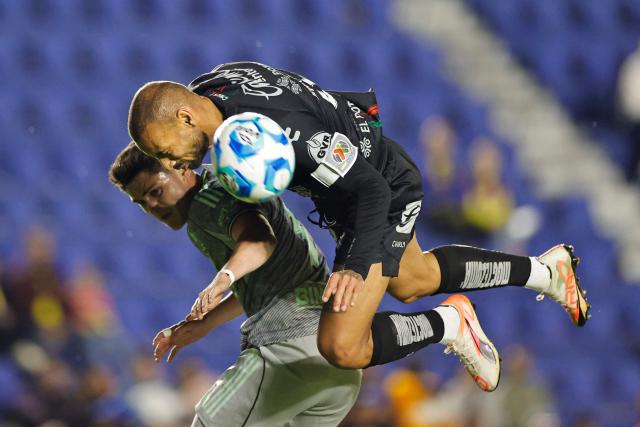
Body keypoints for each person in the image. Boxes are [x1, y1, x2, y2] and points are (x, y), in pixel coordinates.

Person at [126, 62, 591, 391]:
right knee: (414, 280)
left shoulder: (285, 135)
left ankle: (449, 323)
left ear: (186, 116)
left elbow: (371, 190)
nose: (169, 162)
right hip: (352, 185)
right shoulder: (212, 88)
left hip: (378, 188)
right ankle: (548, 271)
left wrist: (350, 265)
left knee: (341, 346)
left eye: (165, 150)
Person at [109, 142, 363, 426]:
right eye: (142, 202)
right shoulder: (230, 183)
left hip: (289, 350)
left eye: (155, 191)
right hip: (338, 357)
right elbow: (266, 276)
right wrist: (205, 324)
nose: (153, 206)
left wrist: (223, 279)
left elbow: (260, 242)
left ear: (180, 166)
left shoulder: (207, 202)